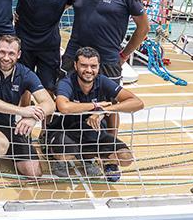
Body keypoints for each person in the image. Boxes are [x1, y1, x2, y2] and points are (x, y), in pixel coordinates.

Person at [50, 47, 144, 181]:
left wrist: (104, 111)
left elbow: (137, 102)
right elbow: (64, 107)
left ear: (99, 66)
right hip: (67, 131)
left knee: (126, 158)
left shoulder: (102, 81)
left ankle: (91, 158)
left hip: (93, 134)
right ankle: (60, 159)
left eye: (93, 66)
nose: (89, 70)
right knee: (65, 155)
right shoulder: (67, 82)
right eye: (83, 65)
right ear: (75, 65)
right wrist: (96, 105)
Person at [61, 0, 150, 85]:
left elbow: (143, 28)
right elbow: (55, 8)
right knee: (66, 98)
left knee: (108, 104)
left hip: (108, 59)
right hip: (74, 56)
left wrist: (125, 54)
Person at [0, 35, 55, 180]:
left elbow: (50, 104)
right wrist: (21, 111)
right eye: (2, 52)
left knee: (34, 173)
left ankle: (9, 150)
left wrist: (30, 118)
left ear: (19, 55)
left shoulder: (25, 73)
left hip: (9, 125)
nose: (6, 57)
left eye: (11, 53)